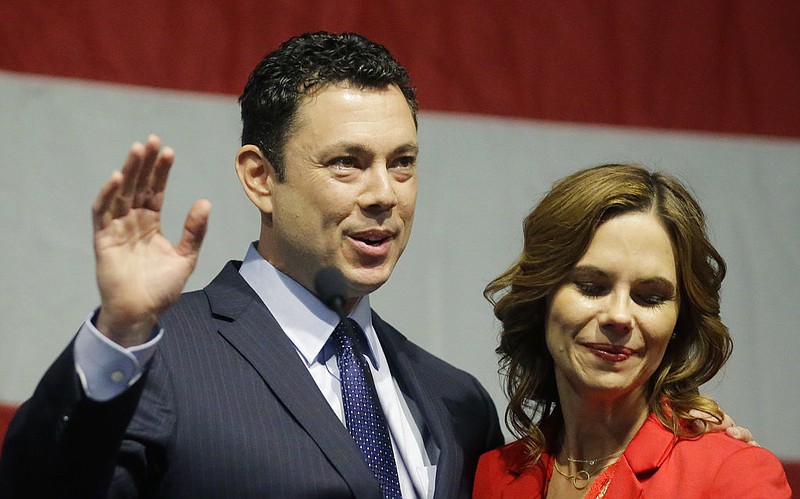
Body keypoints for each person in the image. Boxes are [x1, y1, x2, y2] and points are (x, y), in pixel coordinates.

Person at [0, 32, 504, 498]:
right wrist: (121, 330)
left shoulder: (457, 402)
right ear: (261, 178)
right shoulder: (157, 361)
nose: (384, 194)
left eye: (402, 162)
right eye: (346, 162)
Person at [473, 164, 791, 498]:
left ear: (679, 322)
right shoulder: (493, 476)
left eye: (650, 297)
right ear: (542, 298)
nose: (620, 316)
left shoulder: (732, 475)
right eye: (591, 287)